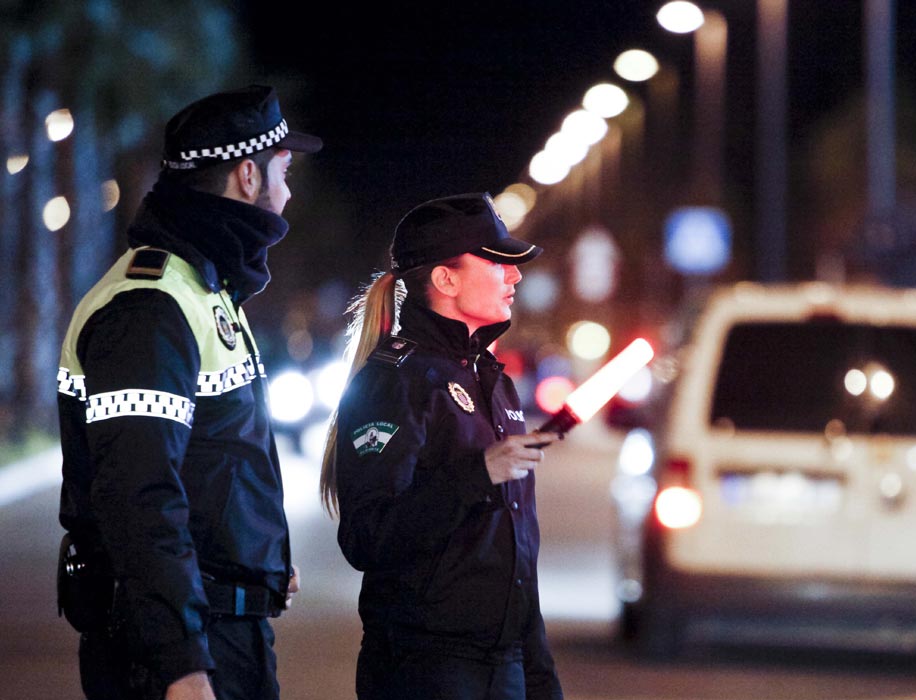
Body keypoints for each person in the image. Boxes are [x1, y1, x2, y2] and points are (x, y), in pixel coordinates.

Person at [56, 84, 321, 700]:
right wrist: (182, 665)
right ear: (248, 176)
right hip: (178, 651)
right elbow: (138, 497)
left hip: (226, 628)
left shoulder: (200, 288)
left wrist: (258, 559)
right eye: (284, 172)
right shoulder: (150, 306)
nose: (288, 192)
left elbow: (213, 459)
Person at [320, 193, 564, 700]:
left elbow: (516, 547)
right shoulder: (394, 381)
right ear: (445, 279)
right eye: (497, 262)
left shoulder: (493, 381)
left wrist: (539, 675)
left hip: (506, 664)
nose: (514, 276)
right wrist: (478, 474)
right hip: (425, 668)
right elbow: (367, 536)